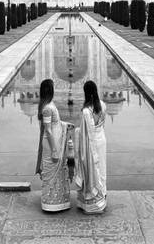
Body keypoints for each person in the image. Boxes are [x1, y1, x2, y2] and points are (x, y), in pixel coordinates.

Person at [36, 79, 73, 212]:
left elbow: (54, 124)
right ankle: (50, 202)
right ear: (50, 91)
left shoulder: (48, 105)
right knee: (51, 172)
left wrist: (65, 124)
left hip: (55, 141)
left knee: (57, 173)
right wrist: (54, 150)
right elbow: (48, 130)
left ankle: (58, 201)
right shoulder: (47, 108)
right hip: (52, 143)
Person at [75, 80, 107, 214]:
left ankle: (92, 203)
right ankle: (102, 197)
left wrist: (77, 132)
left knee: (91, 169)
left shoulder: (86, 111)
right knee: (101, 168)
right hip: (101, 140)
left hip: (91, 143)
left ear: (86, 93)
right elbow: (100, 126)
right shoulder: (103, 105)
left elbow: (84, 132)